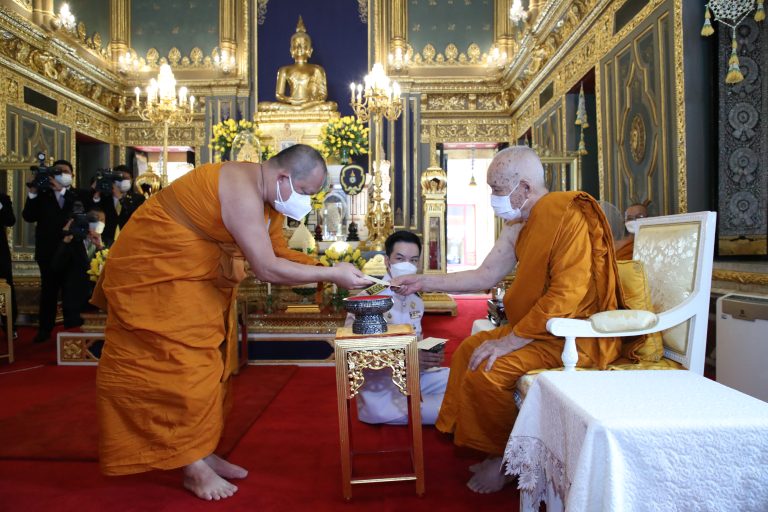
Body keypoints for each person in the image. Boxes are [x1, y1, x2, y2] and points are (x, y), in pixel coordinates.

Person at [94, 144, 369, 501]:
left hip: (195, 278)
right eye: (304, 192)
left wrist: (325, 270)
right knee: (177, 367)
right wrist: (335, 275)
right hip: (158, 276)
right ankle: (191, 466)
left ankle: (200, 449)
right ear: (284, 177)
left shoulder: (269, 201)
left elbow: (277, 252)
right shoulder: (241, 188)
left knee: (210, 367)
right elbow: (266, 267)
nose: (304, 202)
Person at [392, 146, 625, 494]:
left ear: (525, 188)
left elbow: (567, 297)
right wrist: (424, 281)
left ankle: (509, 462)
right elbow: (484, 275)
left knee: (488, 370)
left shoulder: (568, 215)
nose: (493, 200)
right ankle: (488, 445)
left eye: (498, 191)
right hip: (535, 328)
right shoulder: (520, 224)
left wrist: (511, 340)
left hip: (568, 337)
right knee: (469, 347)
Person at [347, 230, 449, 425]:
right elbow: (353, 354)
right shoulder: (367, 299)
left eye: (413, 260)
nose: (406, 265)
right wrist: (409, 358)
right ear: (387, 261)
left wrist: (428, 355)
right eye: (400, 258)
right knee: (458, 406)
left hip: (415, 378)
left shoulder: (415, 300)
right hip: (383, 393)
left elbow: (416, 343)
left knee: (466, 377)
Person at [22, 159, 93, 343]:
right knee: (49, 292)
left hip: (73, 252)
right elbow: (28, 216)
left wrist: (61, 190)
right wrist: (33, 192)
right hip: (48, 252)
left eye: (65, 171)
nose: (62, 173)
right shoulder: (42, 195)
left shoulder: (78, 195)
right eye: (58, 171)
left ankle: (72, 329)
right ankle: (45, 330)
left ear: (72, 175)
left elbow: (84, 210)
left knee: (72, 292)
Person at [259, 16, 337, 111]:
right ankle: (298, 110)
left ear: (310, 51)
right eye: (296, 46)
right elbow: (279, 95)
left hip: (309, 105)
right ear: (291, 50)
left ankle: (300, 110)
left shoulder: (316, 69)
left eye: (303, 46)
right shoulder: (284, 69)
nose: (299, 48)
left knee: (331, 105)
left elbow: (322, 95)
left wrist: (309, 101)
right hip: (291, 105)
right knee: (262, 106)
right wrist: (290, 100)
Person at [52, 206, 105, 328]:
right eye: (93, 221)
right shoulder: (72, 242)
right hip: (74, 299)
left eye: (101, 220)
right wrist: (66, 239)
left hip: (98, 300)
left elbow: (110, 267)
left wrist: (100, 246)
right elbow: (56, 266)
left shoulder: (107, 242)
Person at [93, 165, 145, 246]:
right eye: (120, 178)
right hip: (106, 239)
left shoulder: (139, 198)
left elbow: (134, 215)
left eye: (126, 178)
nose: (123, 180)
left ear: (132, 180)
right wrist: (98, 189)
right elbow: (93, 210)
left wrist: (120, 198)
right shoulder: (105, 197)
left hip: (129, 239)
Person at [0, 192, 17, 339]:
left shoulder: (2, 198)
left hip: (0, 252)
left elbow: (10, 220)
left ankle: (10, 326)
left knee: (6, 287)